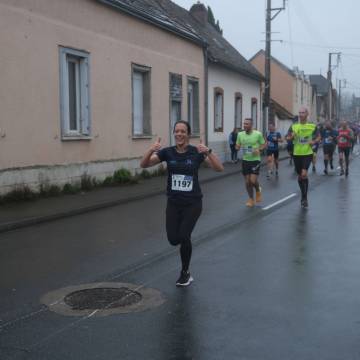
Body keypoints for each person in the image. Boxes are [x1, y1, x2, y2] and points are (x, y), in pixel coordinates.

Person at [140, 120, 223, 287]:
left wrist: (208, 152)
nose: (179, 134)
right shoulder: (167, 153)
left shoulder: (196, 152)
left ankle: (185, 273)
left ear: (188, 134)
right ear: (174, 134)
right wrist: (151, 149)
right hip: (173, 203)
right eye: (177, 131)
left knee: (184, 236)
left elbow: (219, 168)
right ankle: (185, 256)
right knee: (173, 239)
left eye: (183, 131)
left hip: (193, 203)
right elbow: (144, 165)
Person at [287, 107, 321, 208]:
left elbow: (319, 137)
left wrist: (314, 141)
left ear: (307, 114)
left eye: (303, 112)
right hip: (297, 154)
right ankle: (303, 195)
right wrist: (291, 136)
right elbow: (287, 137)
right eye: (299, 112)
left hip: (307, 153)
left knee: (304, 174)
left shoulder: (312, 126)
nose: (301, 114)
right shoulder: (293, 126)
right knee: (300, 177)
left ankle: (304, 198)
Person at [235, 118, 266, 207]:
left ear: (251, 125)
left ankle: (258, 190)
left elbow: (263, 144)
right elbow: (238, 144)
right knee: (247, 182)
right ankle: (251, 199)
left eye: (247, 124)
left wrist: (259, 149)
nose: (245, 125)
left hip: (255, 160)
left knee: (252, 181)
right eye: (244, 124)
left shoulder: (258, 134)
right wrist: (237, 147)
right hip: (245, 160)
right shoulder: (240, 134)